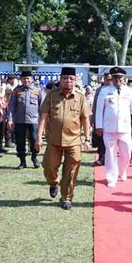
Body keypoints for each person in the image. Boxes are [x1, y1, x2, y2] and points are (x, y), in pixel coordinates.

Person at [36, 67, 90, 210]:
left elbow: (85, 119)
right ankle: (54, 182)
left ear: (75, 80)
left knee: (71, 170)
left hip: (73, 141)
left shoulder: (80, 97)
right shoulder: (51, 95)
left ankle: (66, 197)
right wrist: (39, 137)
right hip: (54, 140)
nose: (68, 81)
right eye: (65, 78)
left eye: (71, 78)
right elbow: (44, 117)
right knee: (48, 166)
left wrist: (87, 139)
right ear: (60, 79)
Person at [95, 67, 132, 187]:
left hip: (125, 128)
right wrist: (99, 126)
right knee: (110, 153)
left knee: (127, 152)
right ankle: (111, 177)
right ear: (111, 78)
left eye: (120, 77)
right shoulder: (104, 91)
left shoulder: (130, 92)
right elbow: (99, 110)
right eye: (115, 77)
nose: (117, 80)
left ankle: (122, 171)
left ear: (124, 79)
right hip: (109, 127)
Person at [7, 70, 43, 169]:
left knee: (34, 140)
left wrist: (43, 121)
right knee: (20, 141)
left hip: (34, 120)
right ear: (21, 79)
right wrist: (10, 119)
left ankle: (34, 157)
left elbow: (42, 107)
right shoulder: (17, 90)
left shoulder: (37, 90)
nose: (26, 80)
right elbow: (11, 106)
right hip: (20, 121)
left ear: (31, 79)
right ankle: (22, 161)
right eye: (24, 78)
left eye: (28, 78)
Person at [91, 73, 113, 166]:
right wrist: (93, 118)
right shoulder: (100, 90)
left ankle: (110, 158)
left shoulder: (115, 90)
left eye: (110, 79)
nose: (109, 81)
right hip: (100, 119)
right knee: (100, 139)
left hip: (111, 120)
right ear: (104, 80)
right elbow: (95, 105)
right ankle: (102, 157)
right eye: (107, 79)